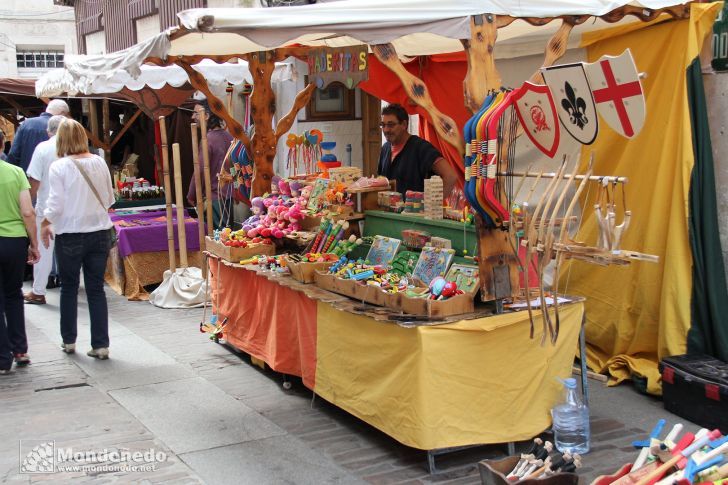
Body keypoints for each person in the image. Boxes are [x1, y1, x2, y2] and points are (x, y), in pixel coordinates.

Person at [41, 118, 114, 360]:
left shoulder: (59, 167)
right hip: (100, 232)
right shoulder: (99, 162)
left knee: (69, 288)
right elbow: (109, 198)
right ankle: (101, 344)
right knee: (95, 289)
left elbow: (56, 204)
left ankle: (69, 340)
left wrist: (44, 222)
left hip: (70, 234)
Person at [0, 155, 40, 374]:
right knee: (14, 294)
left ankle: (2, 358)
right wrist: (33, 243)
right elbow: (27, 212)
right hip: (14, 241)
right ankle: (20, 350)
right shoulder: (15, 172)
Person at [24, 115, 66, 305]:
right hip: (70, 209)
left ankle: (38, 291)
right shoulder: (75, 148)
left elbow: (34, 181)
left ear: (49, 131)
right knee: (68, 250)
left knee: (44, 249)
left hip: (47, 208)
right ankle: (70, 286)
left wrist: (29, 205)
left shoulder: (43, 148)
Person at [377, 103, 459, 196]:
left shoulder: (421, 148)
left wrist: (432, 204)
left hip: (415, 210)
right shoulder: (385, 149)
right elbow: (381, 181)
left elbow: (450, 176)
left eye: (391, 125)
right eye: (383, 125)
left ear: (404, 124)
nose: (386, 130)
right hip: (386, 210)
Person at [186, 100, 234, 230]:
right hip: (228, 194)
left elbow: (200, 169)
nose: (193, 117)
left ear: (206, 116)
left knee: (218, 237)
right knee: (227, 233)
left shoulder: (209, 139)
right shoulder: (229, 136)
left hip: (214, 196)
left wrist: (192, 194)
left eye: (196, 113)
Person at [8, 99, 70, 171]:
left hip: (25, 176)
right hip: (52, 175)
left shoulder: (26, 123)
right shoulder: (62, 127)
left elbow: (14, 154)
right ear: (62, 113)